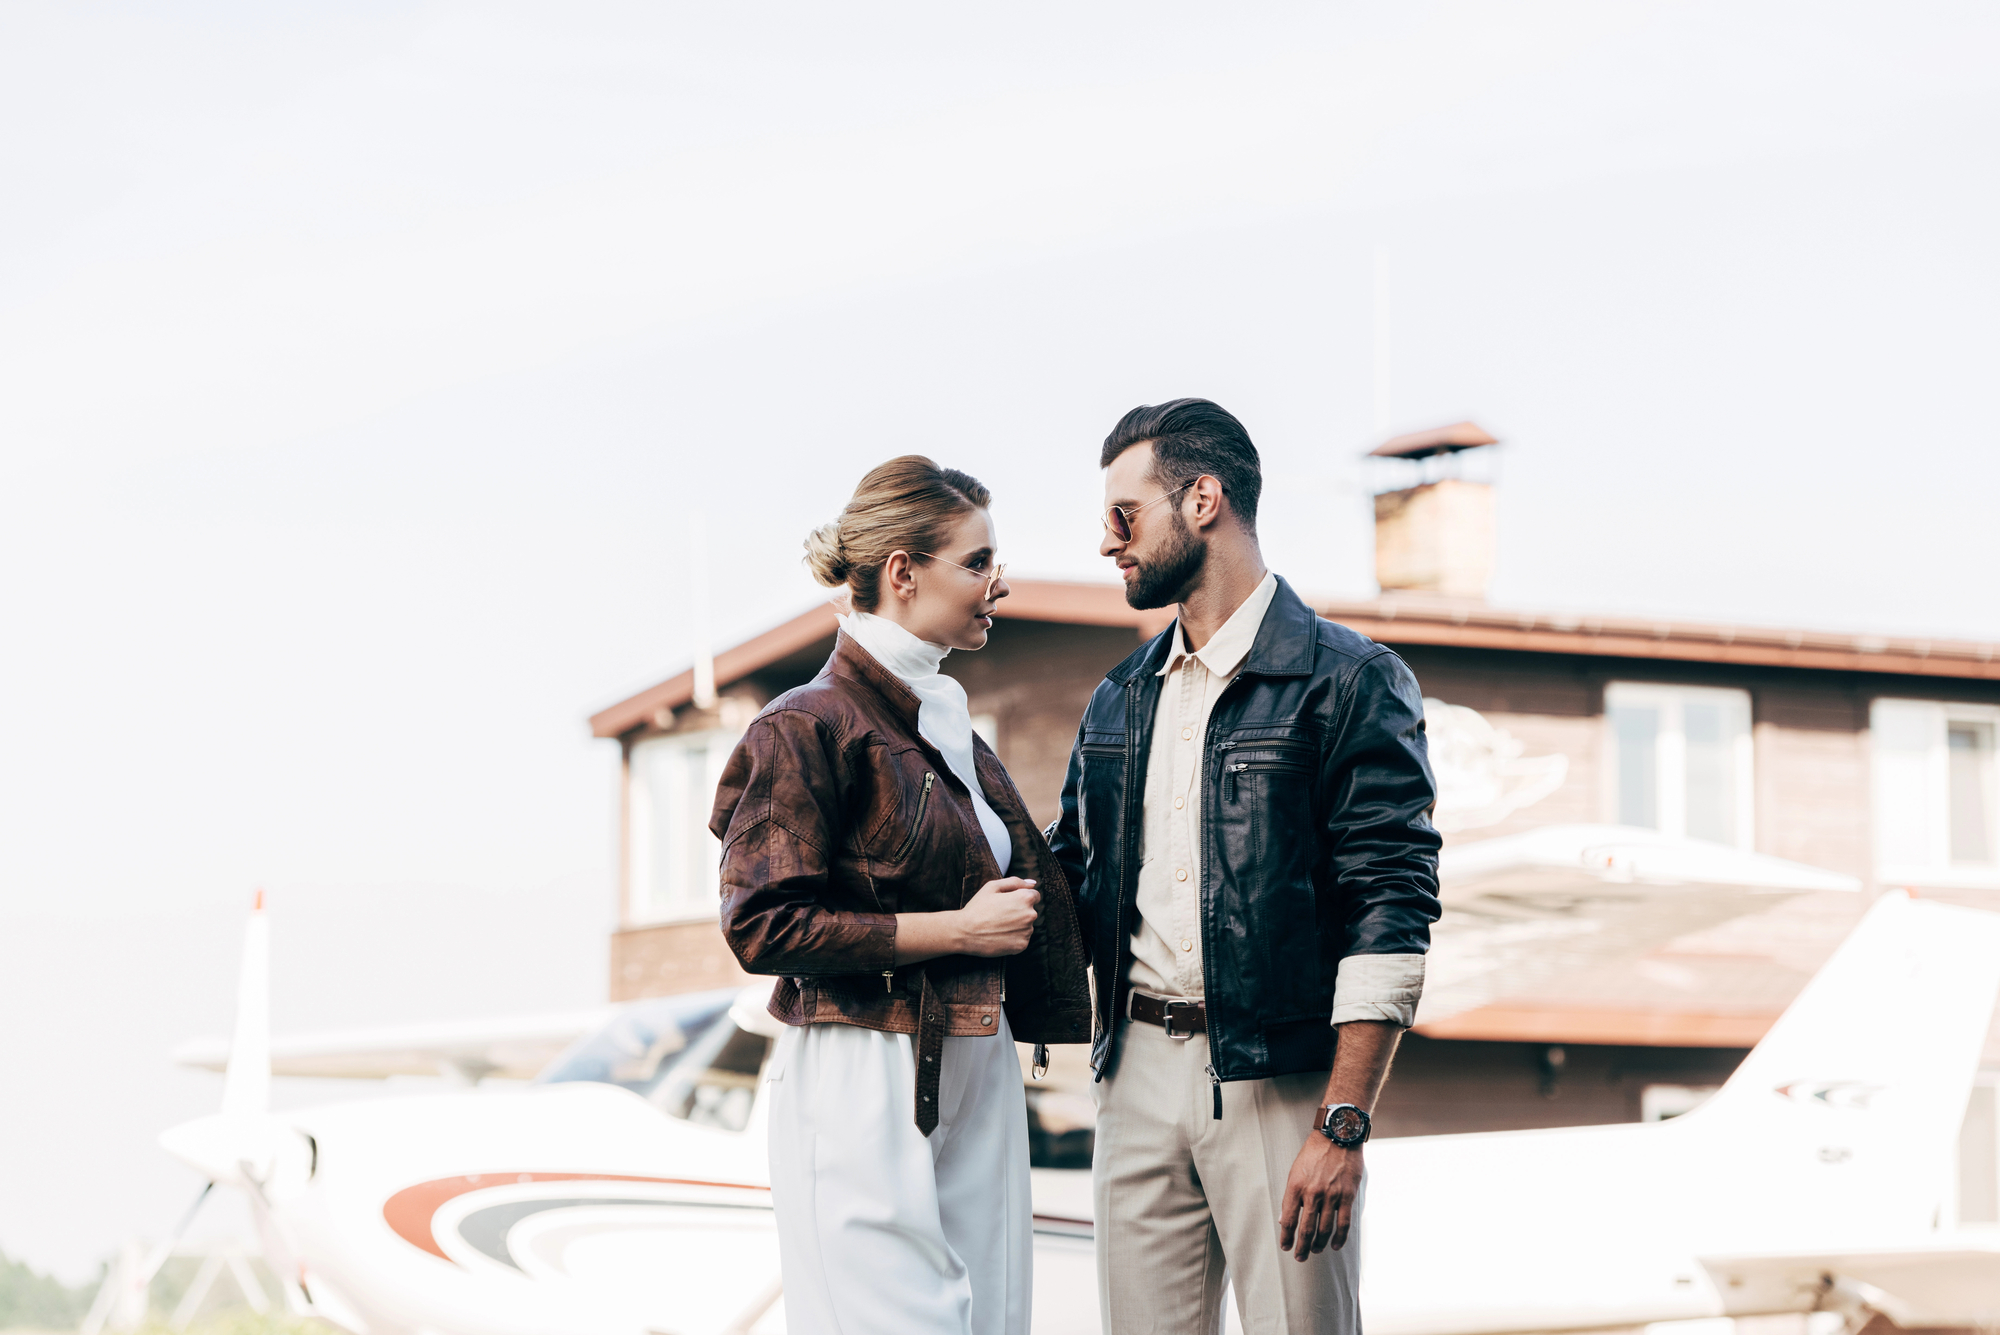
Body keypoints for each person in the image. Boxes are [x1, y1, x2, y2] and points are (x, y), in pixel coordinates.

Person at [1045, 399, 1442, 1334]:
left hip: (1283, 1082)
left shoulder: (1348, 679)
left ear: (1203, 500)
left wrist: (1342, 1122)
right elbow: (1068, 876)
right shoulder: (1118, 698)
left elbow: (1393, 899)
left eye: (1124, 514)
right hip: (1133, 1071)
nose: (1109, 542)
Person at [712, 455, 1092, 1335]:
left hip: (977, 1051)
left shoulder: (949, 723)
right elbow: (763, 922)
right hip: (863, 1058)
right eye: (979, 560)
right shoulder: (805, 723)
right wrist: (957, 929)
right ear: (902, 571)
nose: (999, 581)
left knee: (993, 1319)